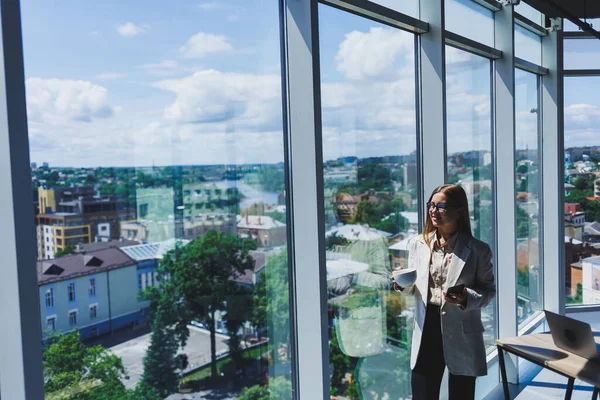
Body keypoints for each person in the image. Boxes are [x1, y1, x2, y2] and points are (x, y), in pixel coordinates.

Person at [391, 184, 496, 400]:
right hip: (426, 327)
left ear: (459, 210)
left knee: (461, 395)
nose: (433, 210)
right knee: (423, 395)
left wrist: (467, 297)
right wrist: (402, 284)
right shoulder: (418, 244)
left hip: (461, 328)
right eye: (431, 205)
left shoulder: (478, 249)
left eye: (441, 206)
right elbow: (414, 288)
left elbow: (488, 291)